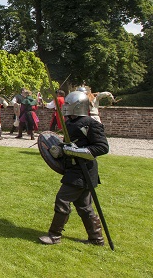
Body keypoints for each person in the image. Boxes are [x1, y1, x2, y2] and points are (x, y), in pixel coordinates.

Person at [39, 91, 109, 246]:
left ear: (78, 106)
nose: (66, 107)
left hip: (83, 171)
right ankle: (96, 239)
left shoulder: (91, 123)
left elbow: (102, 147)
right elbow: (70, 144)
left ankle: (54, 235)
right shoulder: (69, 123)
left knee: (62, 199)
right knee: (84, 206)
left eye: (68, 104)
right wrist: (60, 150)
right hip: (74, 169)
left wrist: (75, 151)